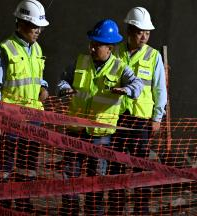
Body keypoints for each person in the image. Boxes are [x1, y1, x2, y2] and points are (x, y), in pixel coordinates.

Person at [57, 19, 142, 216]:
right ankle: (69, 211)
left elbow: (137, 86)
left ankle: (93, 212)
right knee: (70, 176)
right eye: (92, 44)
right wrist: (64, 89)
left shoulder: (120, 68)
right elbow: (62, 81)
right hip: (75, 130)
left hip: (101, 134)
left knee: (96, 179)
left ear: (110, 47)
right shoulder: (80, 61)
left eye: (98, 45)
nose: (93, 48)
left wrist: (127, 89)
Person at [0, 0, 50, 210]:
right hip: (9, 119)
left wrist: (43, 87)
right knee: (3, 166)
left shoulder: (37, 49)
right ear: (20, 23)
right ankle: (1, 204)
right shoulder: (5, 49)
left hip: (33, 119)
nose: (38, 30)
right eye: (34, 25)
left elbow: (37, 76)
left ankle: (23, 202)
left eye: (40, 26)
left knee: (28, 165)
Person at [109, 6, 167, 215]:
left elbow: (160, 89)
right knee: (114, 166)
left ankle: (140, 210)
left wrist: (157, 117)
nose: (144, 36)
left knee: (140, 166)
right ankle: (115, 208)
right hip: (117, 118)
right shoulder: (115, 52)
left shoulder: (153, 56)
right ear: (130, 30)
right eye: (141, 31)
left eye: (148, 32)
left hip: (141, 120)